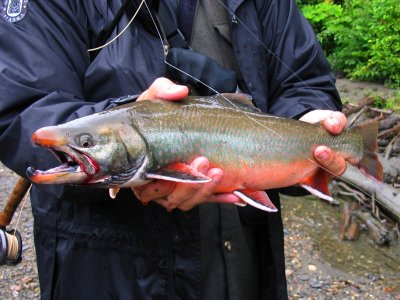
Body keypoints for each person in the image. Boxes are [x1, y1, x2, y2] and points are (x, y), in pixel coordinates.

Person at [0, 0, 346, 299]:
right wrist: (137, 121)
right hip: (111, 274)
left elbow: (305, 82)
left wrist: (308, 124)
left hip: (244, 259)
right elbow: (20, 110)